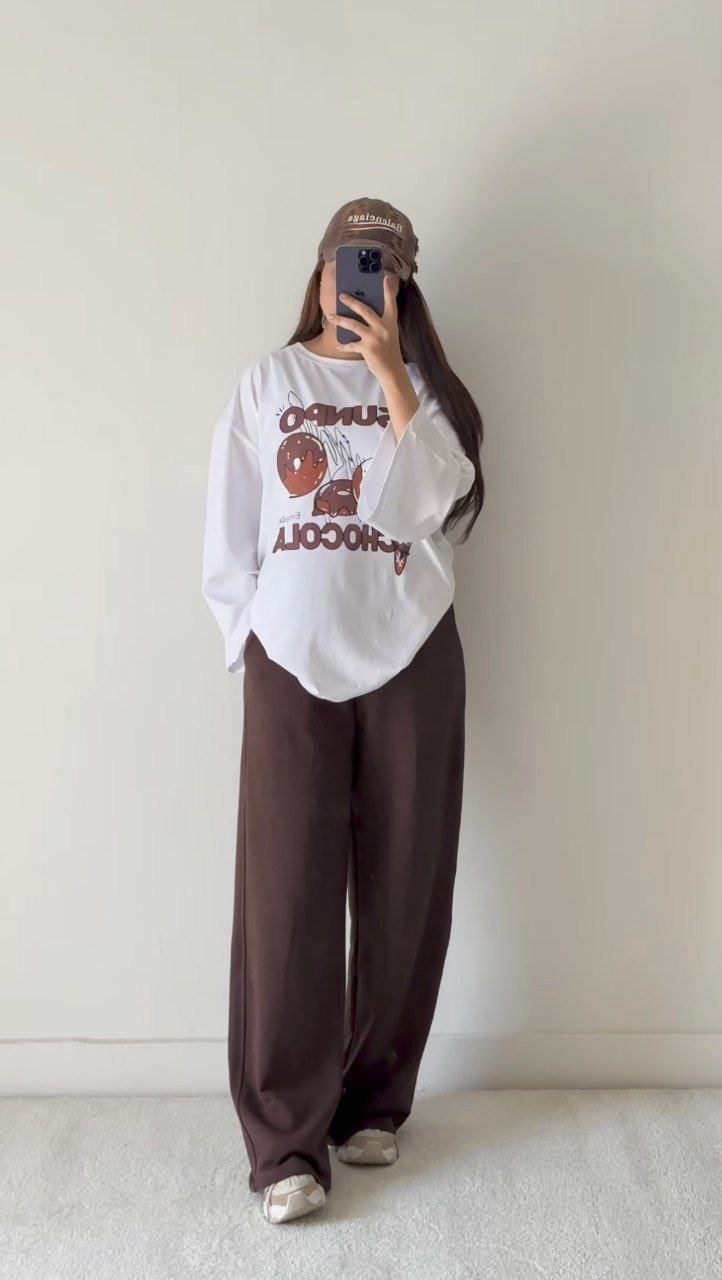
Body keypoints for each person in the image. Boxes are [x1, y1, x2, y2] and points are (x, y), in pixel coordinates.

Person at [202, 197, 484, 1223]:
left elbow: (439, 500)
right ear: (318, 271)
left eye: (379, 266)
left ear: (401, 285)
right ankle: (285, 1144)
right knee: (286, 898)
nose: (356, 280)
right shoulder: (267, 381)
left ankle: (373, 1102)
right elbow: (229, 530)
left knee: (406, 880)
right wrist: (250, 633)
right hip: (289, 660)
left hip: (410, 653)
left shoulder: (423, 389)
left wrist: (392, 375)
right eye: (344, 261)